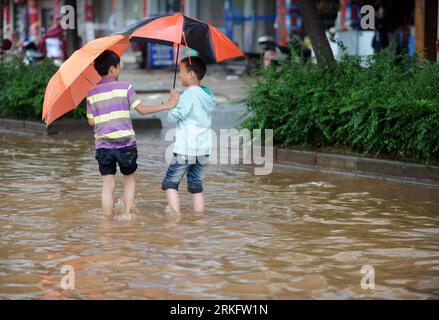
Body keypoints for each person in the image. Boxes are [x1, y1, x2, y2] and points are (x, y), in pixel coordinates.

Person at [87, 50, 179, 217]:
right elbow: (142, 110)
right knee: (129, 181)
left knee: (108, 185)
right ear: (113, 69)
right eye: (119, 66)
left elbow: (91, 121)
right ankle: (127, 215)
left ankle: (107, 220)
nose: (119, 69)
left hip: (103, 147)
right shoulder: (125, 87)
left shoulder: (91, 93)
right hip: (126, 145)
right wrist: (168, 104)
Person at [162, 56, 216, 214]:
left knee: (170, 183)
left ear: (191, 74)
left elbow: (174, 116)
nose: (179, 74)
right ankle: (200, 220)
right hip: (203, 150)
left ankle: (176, 217)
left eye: (181, 71)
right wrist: (180, 99)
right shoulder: (207, 94)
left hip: (186, 149)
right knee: (196, 185)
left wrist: (172, 102)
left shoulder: (189, 94)